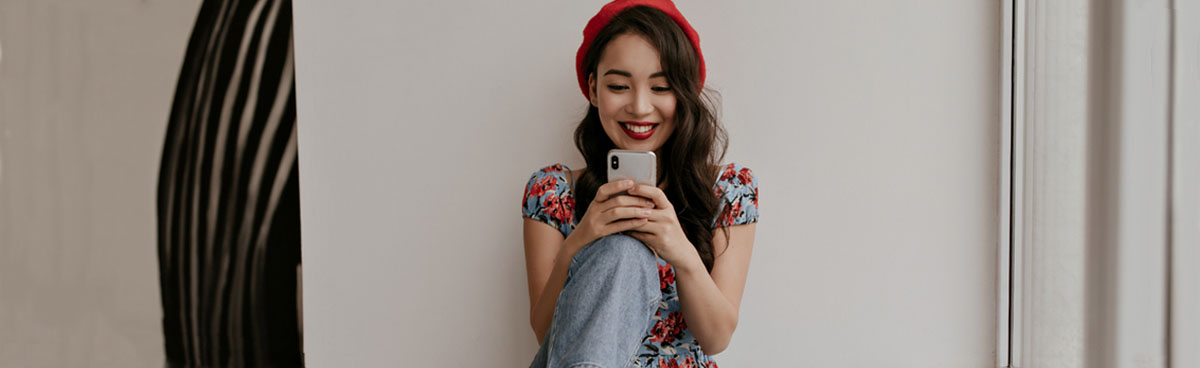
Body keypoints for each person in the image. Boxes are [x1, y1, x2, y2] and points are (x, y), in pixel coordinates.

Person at [521, 1, 759, 366]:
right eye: (619, 86)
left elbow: (716, 337)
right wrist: (580, 242)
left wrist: (680, 251)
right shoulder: (553, 190)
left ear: (684, 94)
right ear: (594, 89)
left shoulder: (728, 189)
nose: (640, 107)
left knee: (627, 253)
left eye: (661, 87)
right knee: (621, 253)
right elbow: (545, 333)